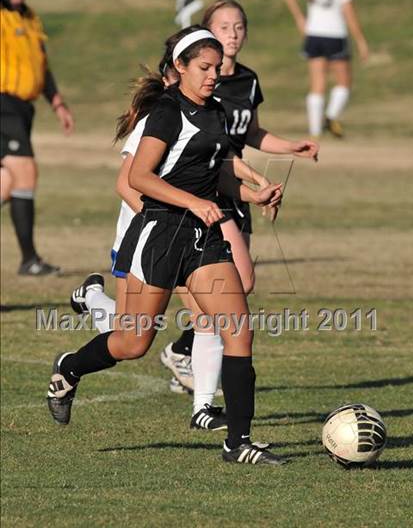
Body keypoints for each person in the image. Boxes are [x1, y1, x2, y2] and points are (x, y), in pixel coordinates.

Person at [47, 26, 288, 465]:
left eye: (217, 68)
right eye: (204, 67)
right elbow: (138, 177)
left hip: (203, 237)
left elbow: (217, 175)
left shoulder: (216, 111)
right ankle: (70, 368)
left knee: (239, 329)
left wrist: (254, 194)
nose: (213, 75)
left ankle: (237, 443)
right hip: (159, 234)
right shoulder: (165, 111)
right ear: (180, 67)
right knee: (132, 343)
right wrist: (195, 203)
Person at [162, 0, 319, 416]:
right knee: (223, 293)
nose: (233, 34)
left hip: (232, 187)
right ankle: (203, 394)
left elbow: (247, 132)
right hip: (202, 191)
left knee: (235, 289)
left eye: (239, 26)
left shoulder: (247, 81)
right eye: (224, 27)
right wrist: (255, 180)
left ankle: (187, 355)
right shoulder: (190, 85)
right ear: (206, 33)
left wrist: (289, 148)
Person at [0, 0, 74, 275]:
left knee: (7, 181)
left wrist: (57, 102)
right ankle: (29, 259)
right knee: (25, 172)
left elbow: (41, 66)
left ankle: (30, 259)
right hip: (1, 103)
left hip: (22, 108)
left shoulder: (29, 17)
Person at [283, 0, 369, 138]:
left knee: (317, 84)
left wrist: (300, 19)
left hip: (314, 35)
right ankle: (331, 117)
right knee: (344, 82)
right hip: (335, 35)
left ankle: (315, 131)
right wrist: (361, 41)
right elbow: (349, 15)